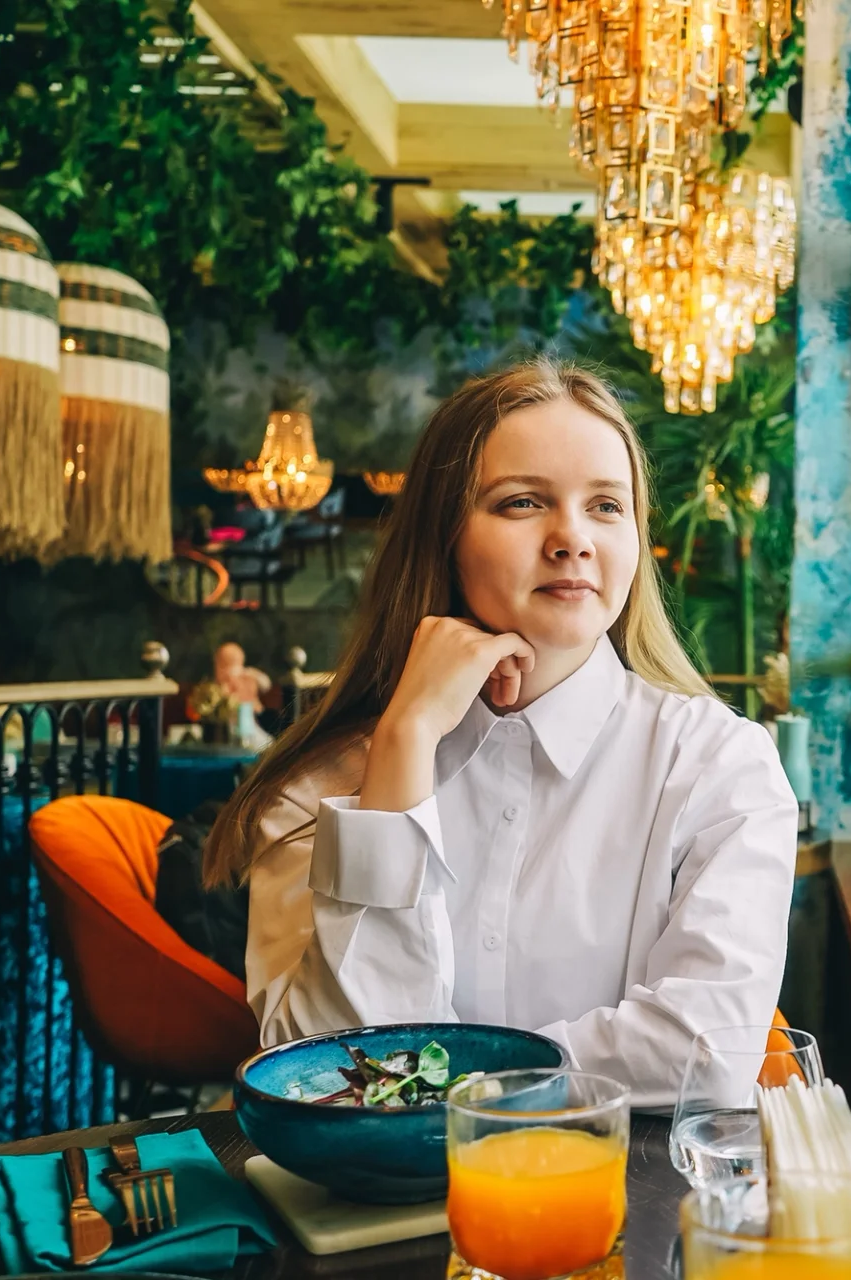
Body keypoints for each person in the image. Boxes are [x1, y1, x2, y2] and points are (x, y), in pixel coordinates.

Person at [203, 360, 798, 1105]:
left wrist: (447, 1087)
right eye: (522, 502)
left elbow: (706, 1052)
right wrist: (404, 745)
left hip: (623, 1203)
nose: (572, 539)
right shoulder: (318, 788)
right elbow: (321, 1076)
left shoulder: (719, 766)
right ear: (444, 535)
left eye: (607, 507)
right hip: (370, 1217)